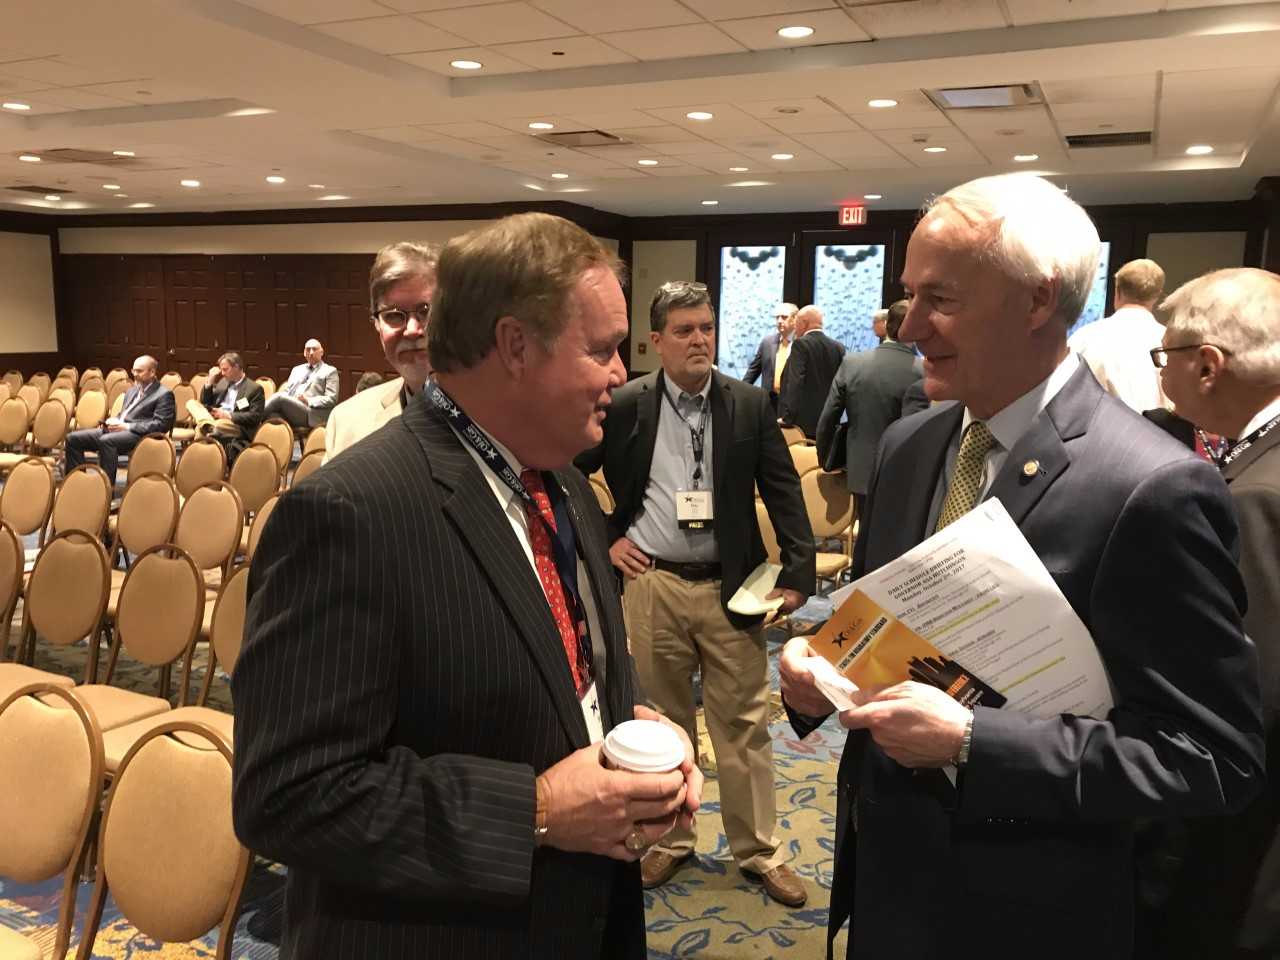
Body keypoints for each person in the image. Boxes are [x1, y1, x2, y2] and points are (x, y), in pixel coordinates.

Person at [778, 173, 1264, 960]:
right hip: (891, 884)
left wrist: (976, 741)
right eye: (908, 295)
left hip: (1032, 910)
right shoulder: (912, 447)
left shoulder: (1151, 484)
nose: (910, 325)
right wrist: (818, 673)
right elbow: (880, 631)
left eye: (941, 298)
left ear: (1038, 301)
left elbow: (1211, 759)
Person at [233, 212, 702, 960]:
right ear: (515, 345)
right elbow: (288, 796)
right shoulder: (350, 512)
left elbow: (551, 671)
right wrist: (538, 811)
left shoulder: (567, 486)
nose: (622, 374)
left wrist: (634, 722)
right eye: (603, 350)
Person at [576, 280, 816, 907]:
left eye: (706, 327)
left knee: (743, 726)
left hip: (732, 590)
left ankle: (759, 852)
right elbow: (562, 471)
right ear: (656, 342)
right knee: (662, 726)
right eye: (683, 330)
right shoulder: (625, 404)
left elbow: (783, 487)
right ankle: (669, 845)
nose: (699, 340)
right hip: (651, 585)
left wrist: (798, 571)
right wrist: (604, 539)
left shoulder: (746, 404)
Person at [1140, 267, 1280, 959]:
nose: (1159, 375)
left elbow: (1246, 701)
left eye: (1163, 357)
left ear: (1207, 366)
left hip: (1246, 842)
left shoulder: (1256, 495)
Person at [324, 241, 438, 463]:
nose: (413, 330)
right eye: (394, 315)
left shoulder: (506, 418)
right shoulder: (346, 420)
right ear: (376, 324)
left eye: (426, 311)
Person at [816, 299, 923, 517]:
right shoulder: (923, 371)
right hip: (907, 475)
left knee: (864, 537)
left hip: (860, 469)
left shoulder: (853, 363)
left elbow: (828, 418)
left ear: (887, 325)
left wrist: (825, 459)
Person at [1068, 257, 1169, 412]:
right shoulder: (1172, 343)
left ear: (1117, 290)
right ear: (1157, 296)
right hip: (1159, 435)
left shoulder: (1084, 338)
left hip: (1097, 434)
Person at [64, 354, 174, 488]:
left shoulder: (164, 394)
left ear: (152, 372)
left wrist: (127, 426)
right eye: (133, 370)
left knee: (107, 441)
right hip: (119, 430)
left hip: (140, 435)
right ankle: (76, 485)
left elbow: (161, 425)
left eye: (139, 371)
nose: (134, 374)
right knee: (73, 438)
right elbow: (125, 414)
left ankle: (105, 489)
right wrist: (114, 420)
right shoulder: (132, 390)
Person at [778, 304, 845, 439]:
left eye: (796, 324)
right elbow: (841, 384)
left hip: (802, 425)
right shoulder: (838, 347)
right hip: (829, 422)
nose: (795, 329)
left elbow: (796, 381)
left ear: (804, 323)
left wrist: (787, 418)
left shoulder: (801, 344)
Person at [187, 351, 265, 465]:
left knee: (202, 429)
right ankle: (207, 424)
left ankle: (197, 462)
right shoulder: (223, 382)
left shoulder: (254, 389)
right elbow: (205, 403)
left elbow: (255, 417)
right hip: (215, 418)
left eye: (225, 369)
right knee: (191, 403)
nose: (222, 373)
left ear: (237, 367)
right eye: (221, 370)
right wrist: (209, 382)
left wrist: (227, 415)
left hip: (235, 424)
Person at [263, 338, 339, 428]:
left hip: (311, 412)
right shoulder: (297, 369)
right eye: (308, 349)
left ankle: (252, 415)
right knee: (272, 416)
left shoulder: (330, 371)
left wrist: (308, 401)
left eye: (314, 349)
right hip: (291, 407)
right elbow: (287, 391)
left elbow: (332, 399)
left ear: (321, 352)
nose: (311, 352)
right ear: (304, 353)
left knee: (279, 397)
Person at [743, 301, 798, 405]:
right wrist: (739, 392)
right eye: (777, 317)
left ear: (795, 319)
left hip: (792, 405)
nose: (779, 321)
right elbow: (753, 371)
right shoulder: (767, 342)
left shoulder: (801, 344)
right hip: (769, 402)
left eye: (784, 317)